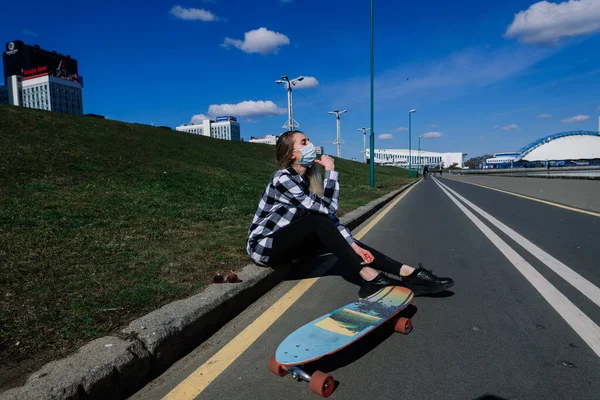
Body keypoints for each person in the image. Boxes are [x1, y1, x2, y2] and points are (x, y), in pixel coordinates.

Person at [246, 130, 454, 298]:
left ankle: (409, 274)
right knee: (318, 220)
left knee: (347, 240)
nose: (310, 145)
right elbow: (327, 210)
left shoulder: (305, 181)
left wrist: (353, 245)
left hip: (290, 244)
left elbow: (330, 219)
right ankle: (371, 278)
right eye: (303, 142)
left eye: (309, 140)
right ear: (292, 154)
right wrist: (331, 172)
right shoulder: (282, 178)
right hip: (265, 246)